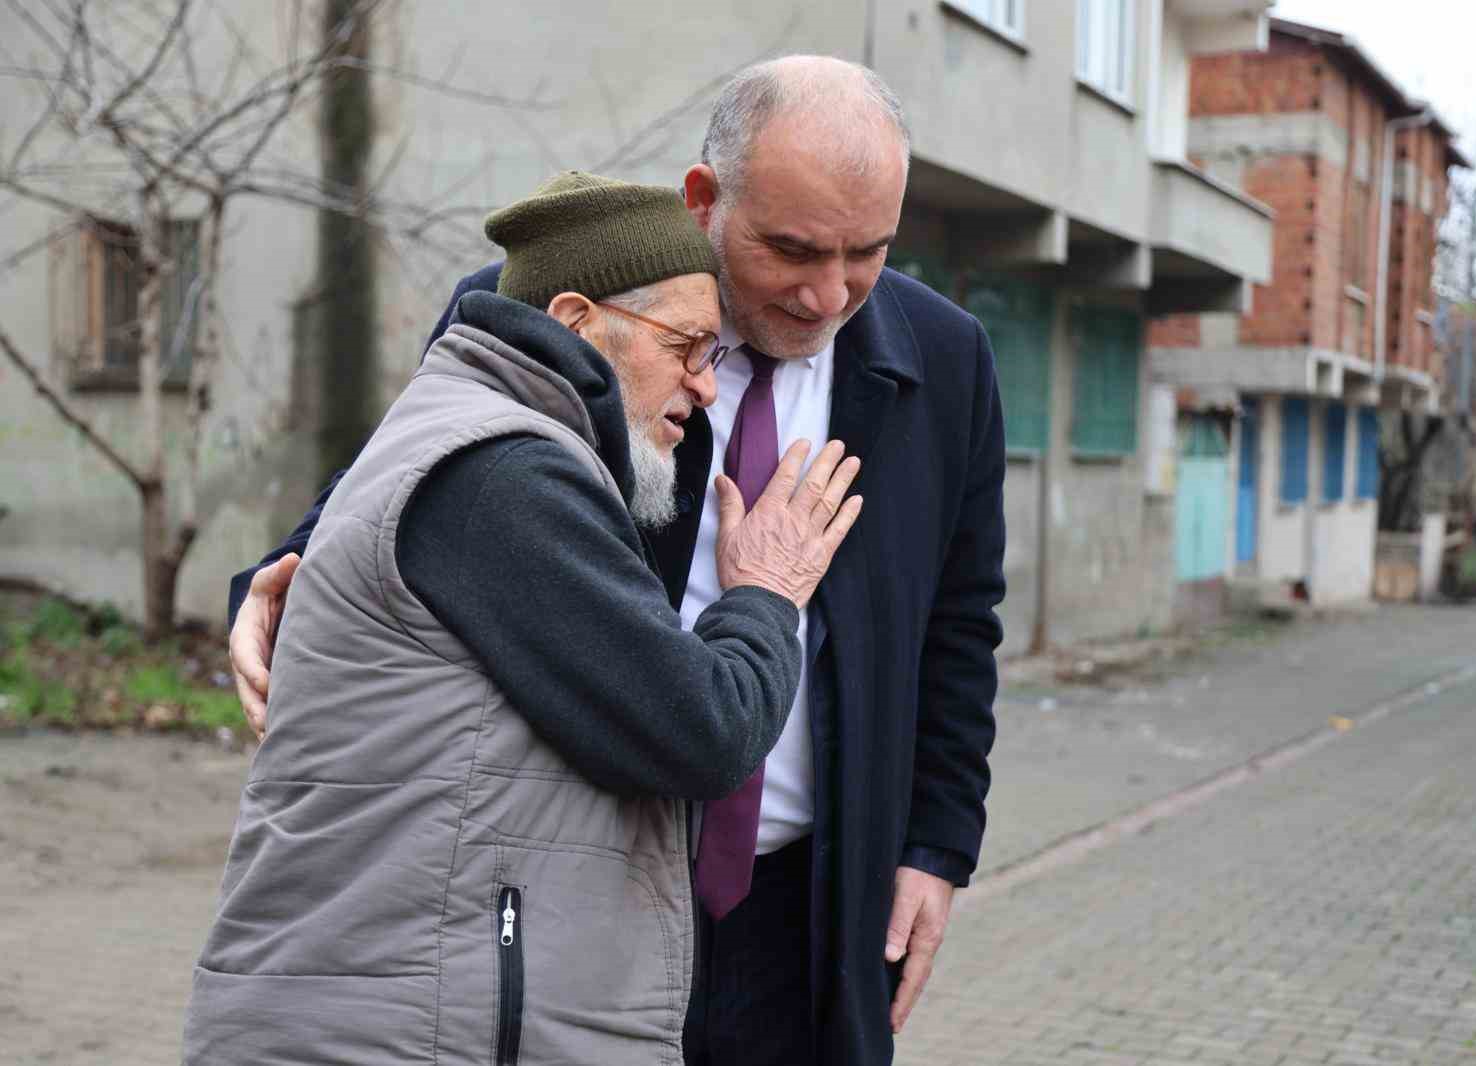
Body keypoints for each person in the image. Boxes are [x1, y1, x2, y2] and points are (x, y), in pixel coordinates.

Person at [229, 56, 1006, 1066]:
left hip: (815, 901)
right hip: (580, 886)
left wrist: (935, 849)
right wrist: (286, 574)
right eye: (793, 249)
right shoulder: (558, 304)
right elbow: (418, 471)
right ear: (701, 200)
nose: (828, 296)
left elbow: (960, 621)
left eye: (867, 252)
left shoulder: (946, 359)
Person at [184, 172, 863, 1065]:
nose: (705, 389)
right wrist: (769, 591)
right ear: (578, 320)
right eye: (689, 348)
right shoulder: (507, 476)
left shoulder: (480, 430)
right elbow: (705, 730)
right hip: (393, 1033)